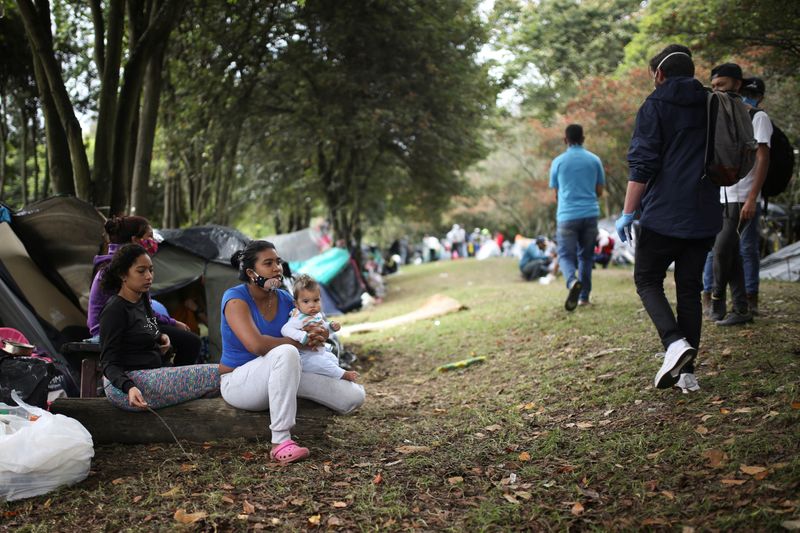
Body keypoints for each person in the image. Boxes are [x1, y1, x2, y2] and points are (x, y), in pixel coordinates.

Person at [616, 44, 720, 393]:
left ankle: (674, 343)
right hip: (705, 211)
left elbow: (642, 164)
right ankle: (688, 376)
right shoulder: (711, 103)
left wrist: (628, 212)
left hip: (663, 213)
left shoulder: (655, 105)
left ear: (658, 74)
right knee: (690, 289)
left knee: (647, 279)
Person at [219, 240, 365, 465]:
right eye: (268, 263)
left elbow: (307, 330)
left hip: (283, 373)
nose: (277, 268)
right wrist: (303, 342)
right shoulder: (235, 299)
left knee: (354, 396)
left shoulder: (286, 298)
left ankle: (284, 393)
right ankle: (280, 442)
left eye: (277, 261)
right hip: (239, 382)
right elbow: (256, 345)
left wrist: (319, 334)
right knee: (286, 351)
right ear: (251, 272)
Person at [99, 244, 219, 411]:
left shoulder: (142, 300)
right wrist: (129, 387)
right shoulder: (115, 310)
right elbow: (108, 363)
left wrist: (161, 337)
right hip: (127, 387)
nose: (149, 276)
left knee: (220, 379)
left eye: (151, 270)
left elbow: (151, 326)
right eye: (141, 271)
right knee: (220, 374)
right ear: (122, 275)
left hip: (151, 375)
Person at [88, 216, 202, 366]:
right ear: (135, 240)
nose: (148, 276)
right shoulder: (114, 271)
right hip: (116, 329)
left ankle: (172, 378)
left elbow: (143, 312)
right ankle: (173, 380)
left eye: (150, 270)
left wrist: (163, 329)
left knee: (178, 342)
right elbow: (127, 315)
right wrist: (160, 331)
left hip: (134, 323)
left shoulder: (130, 269)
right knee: (187, 342)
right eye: (149, 237)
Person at [706, 67, 771, 325]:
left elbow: (763, 158)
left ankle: (718, 296)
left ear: (737, 83)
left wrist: (753, 196)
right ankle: (741, 309)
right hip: (722, 196)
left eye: (722, 84)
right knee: (728, 250)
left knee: (724, 249)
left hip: (744, 196)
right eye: (714, 86)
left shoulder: (757, 117)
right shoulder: (720, 115)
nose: (717, 90)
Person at [549, 124, 606, 310]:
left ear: (565, 140)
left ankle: (572, 281)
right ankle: (583, 298)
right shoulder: (594, 160)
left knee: (565, 255)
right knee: (586, 257)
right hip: (590, 214)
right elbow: (599, 191)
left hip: (566, 215)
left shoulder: (558, 162)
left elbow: (556, 194)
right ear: (583, 138)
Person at [281, 274, 358, 382]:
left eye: (316, 300)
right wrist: (302, 336)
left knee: (332, 358)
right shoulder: (297, 318)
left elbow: (323, 327)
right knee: (322, 363)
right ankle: (343, 374)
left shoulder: (316, 315)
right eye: (306, 301)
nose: (312, 305)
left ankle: (330, 378)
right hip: (305, 357)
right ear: (296, 304)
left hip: (319, 352)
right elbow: (285, 330)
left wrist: (330, 327)